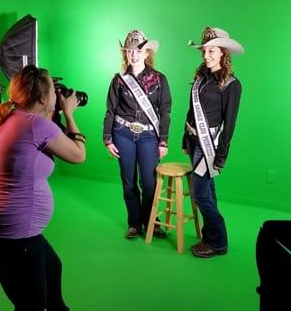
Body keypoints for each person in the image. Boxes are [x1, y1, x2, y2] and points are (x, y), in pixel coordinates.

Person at [0, 65, 85, 311]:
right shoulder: (36, 126)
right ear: (43, 98)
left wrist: (54, 112)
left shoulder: (8, 117)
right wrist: (69, 114)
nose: (58, 95)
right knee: (32, 306)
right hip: (11, 238)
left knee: (53, 268)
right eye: (54, 90)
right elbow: (78, 155)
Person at [102, 29, 172, 239]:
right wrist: (107, 138)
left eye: (138, 51)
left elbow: (165, 111)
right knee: (129, 181)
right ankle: (134, 223)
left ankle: (152, 221)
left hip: (149, 137)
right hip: (122, 133)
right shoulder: (118, 80)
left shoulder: (160, 79)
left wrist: (164, 141)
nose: (133, 54)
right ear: (126, 53)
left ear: (147, 53)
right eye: (130, 51)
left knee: (149, 183)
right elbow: (110, 110)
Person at [183, 26, 244, 258]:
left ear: (223, 53)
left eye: (212, 51)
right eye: (204, 51)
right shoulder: (201, 77)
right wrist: (184, 136)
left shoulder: (231, 84)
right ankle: (211, 238)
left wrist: (222, 154)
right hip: (194, 140)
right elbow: (191, 110)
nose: (206, 56)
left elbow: (230, 124)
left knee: (200, 195)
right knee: (208, 192)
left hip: (210, 146)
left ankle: (218, 242)